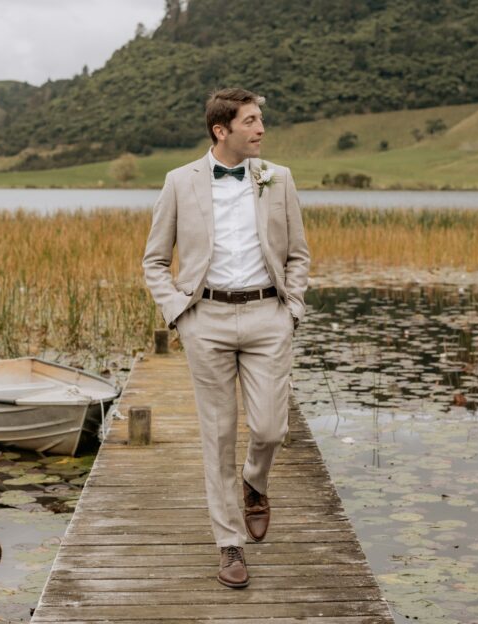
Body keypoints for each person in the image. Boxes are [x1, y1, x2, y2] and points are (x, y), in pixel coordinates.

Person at [142, 87, 310, 588]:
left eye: (261, 120)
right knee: (217, 437)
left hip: (267, 317)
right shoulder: (179, 182)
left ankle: (255, 483)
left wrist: (292, 310)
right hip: (206, 320)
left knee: (270, 428)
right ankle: (229, 544)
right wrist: (179, 313)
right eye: (252, 121)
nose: (261, 129)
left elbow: (298, 253)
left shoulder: (277, 179)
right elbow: (154, 261)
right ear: (223, 130)